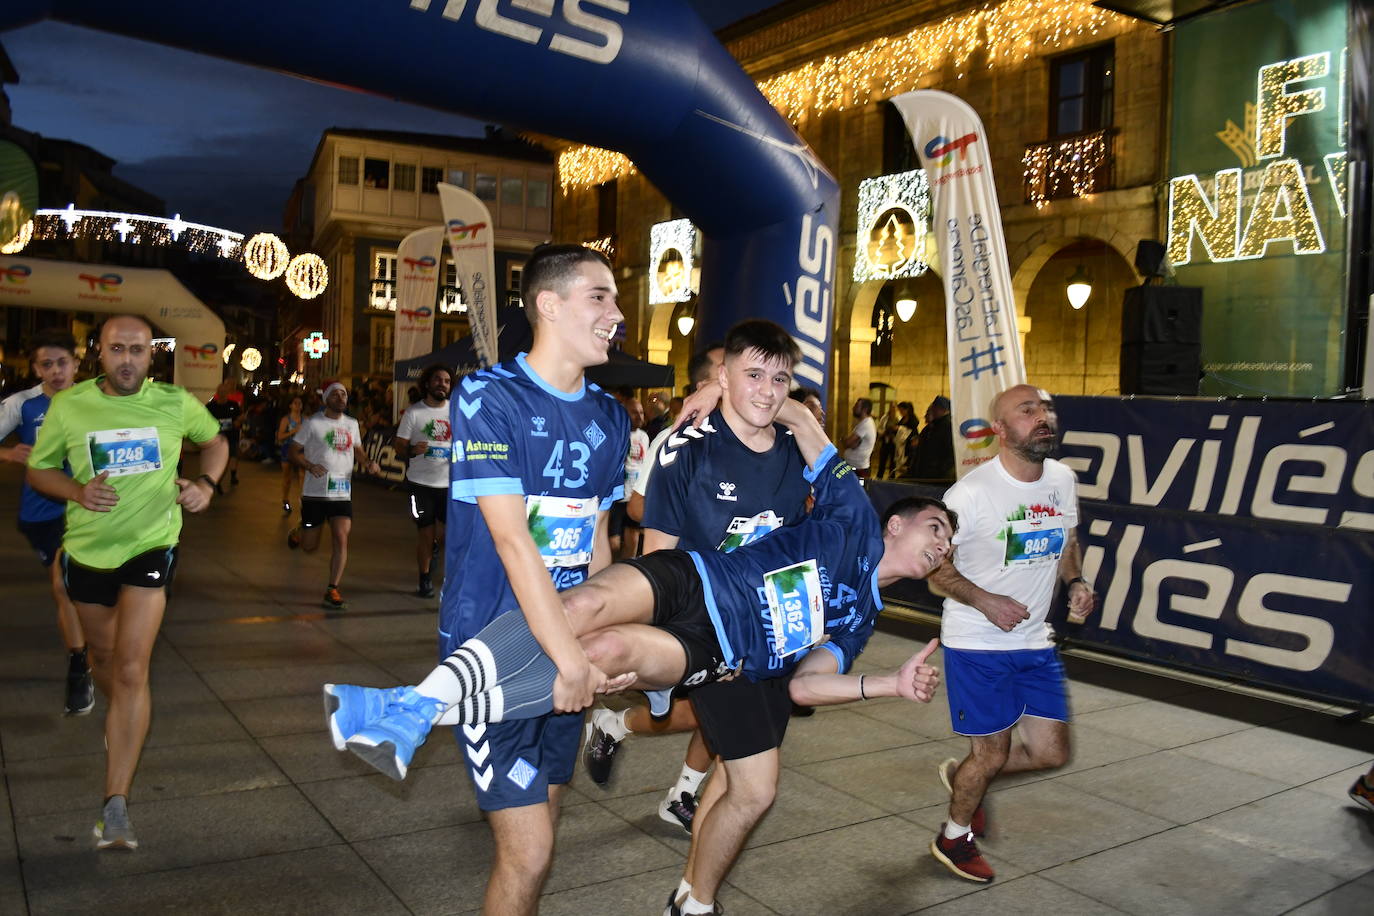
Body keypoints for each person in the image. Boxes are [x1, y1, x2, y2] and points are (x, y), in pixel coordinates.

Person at [324, 400, 952, 916]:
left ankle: (409, 713)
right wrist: (729, 394)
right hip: (699, 574)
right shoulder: (858, 520)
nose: (940, 546)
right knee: (574, 609)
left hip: (718, 650)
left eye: (948, 544)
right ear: (897, 525)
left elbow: (809, 687)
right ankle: (411, 705)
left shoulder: (861, 618)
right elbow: (806, 424)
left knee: (601, 655)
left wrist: (889, 684)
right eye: (934, 528)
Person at [334, 243, 627, 916]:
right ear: (549, 304)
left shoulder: (611, 417)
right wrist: (568, 659)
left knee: (542, 837)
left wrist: (599, 643)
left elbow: (600, 546)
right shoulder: (489, 396)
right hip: (493, 651)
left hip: (569, 650)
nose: (618, 312)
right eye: (600, 296)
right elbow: (511, 538)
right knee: (528, 855)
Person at [587, 323, 809, 846]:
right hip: (701, 617)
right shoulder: (683, 442)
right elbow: (655, 548)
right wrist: (659, 636)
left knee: (726, 739)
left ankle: (661, 776)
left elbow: (797, 542)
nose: (767, 389)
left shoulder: (796, 447)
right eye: (752, 374)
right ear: (722, 376)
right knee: (743, 761)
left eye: (780, 378)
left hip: (768, 625)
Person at [26, 314, 228, 850]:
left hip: (151, 547)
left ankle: (114, 805)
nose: (128, 360)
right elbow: (38, 471)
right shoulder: (70, 406)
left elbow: (216, 444)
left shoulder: (174, 402)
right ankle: (121, 715)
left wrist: (207, 483)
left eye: (138, 350)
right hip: (89, 555)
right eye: (118, 349)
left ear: (151, 354)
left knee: (133, 667)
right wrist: (76, 491)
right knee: (106, 659)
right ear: (100, 352)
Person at [925, 383, 1096, 884]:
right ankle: (953, 838)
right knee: (992, 753)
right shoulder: (970, 495)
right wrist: (986, 600)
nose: (1042, 417)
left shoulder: (1061, 479)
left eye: (1045, 409)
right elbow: (935, 570)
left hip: (1034, 641)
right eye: (1027, 411)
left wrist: (1076, 581)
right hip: (977, 643)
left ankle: (965, 778)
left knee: (1051, 752)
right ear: (999, 430)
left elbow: (1067, 538)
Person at [0, 330, 91, 715]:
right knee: (65, 586)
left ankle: (83, 658)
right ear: (36, 368)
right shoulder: (22, 405)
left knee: (69, 584)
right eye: (46, 364)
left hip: (90, 508)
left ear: (76, 364)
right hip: (42, 513)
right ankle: (79, 664)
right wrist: (6, 453)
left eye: (62, 363)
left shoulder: (96, 401)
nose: (55, 371)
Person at [286, 382, 380, 609]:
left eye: (344, 394)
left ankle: (332, 589)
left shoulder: (352, 423)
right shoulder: (313, 423)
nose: (341, 397)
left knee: (341, 537)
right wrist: (309, 465)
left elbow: (356, 448)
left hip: (341, 492)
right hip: (315, 494)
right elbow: (292, 451)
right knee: (309, 546)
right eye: (335, 394)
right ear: (326, 399)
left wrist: (367, 462)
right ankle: (300, 531)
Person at [393, 364, 453, 598]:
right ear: (427, 383)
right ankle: (425, 579)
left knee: (449, 534)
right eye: (438, 380)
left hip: (449, 484)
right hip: (420, 484)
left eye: (447, 381)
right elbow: (399, 445)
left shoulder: (455, 411)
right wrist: (411, 449)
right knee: (425, 534)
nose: (443, 384)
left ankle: (435, 550)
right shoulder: (414, 413)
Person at [207, 380, 243, 490]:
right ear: (217, 392)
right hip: (216, 437)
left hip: (232, 436)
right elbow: (206, 421)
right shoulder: (210, 406)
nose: (222, 393)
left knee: (233, 456)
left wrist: (238, 422)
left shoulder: (234, 405)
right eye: (220, 391)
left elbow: (240, 417)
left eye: (224, 391)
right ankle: (215, 479)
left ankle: (232, 476)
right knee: (217, 459)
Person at [912, 395, 955, 482]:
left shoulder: (947, 427)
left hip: (936, 476)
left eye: (934, 408)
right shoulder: (932, 427)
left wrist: (939, 469)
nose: (932, 411)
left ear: (942, 409)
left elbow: (949, 453)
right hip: (928, 473)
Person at [276, 394, 305, 513]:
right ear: (290, 406)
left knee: (303, 475)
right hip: (288, 448)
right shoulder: (286, 419)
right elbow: (280, 436)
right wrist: (293, 431)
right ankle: (285, 500)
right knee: (287, 478)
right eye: (295, 403)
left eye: (300, 403)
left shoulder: (305, 419)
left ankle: (303, 500)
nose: (298, 406)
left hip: (301, 449)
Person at [842, 397, 876, 479]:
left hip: (859, 469)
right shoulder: (863, 423)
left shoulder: (866, 424)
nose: (853, 408)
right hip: (853, 467)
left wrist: (844, 439)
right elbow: (852, 444)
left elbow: (848, 443)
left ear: (865, 409)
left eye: (857, 406)